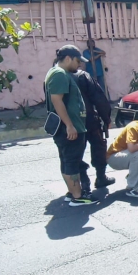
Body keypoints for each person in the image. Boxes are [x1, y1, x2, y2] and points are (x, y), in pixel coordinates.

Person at [45, 45, 98, 206]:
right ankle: (77, 196)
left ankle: (72, 192)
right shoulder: (60, 74)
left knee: (68, 160)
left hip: (69, 127)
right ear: (68, 58)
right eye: (77, 61)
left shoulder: (58, 73)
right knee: (72, 161)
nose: (79, 65)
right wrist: (69, 125)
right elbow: (57, 100)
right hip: (68, 128)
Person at [71, 69, 116, 190]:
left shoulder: (53, 78)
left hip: (69, 123)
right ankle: (100, 177)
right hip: (89, 119)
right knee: (99, 145)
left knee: (75, 152)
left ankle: (84, 180)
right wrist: (106, 119)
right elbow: (99, 99)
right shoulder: (82, 76)